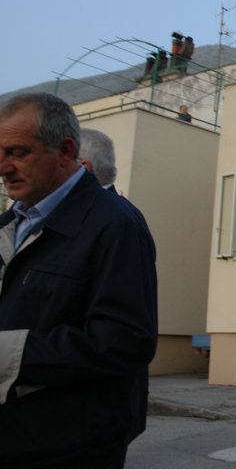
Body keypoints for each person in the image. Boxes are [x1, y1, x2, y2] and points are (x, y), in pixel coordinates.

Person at [0, 93, 158, 468]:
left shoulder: (116, 224)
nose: (3, 167)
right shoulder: (12, 222)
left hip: (68, 445)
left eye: (18, 152)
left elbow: (125, 340)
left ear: (66, 151)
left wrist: (8, 355)